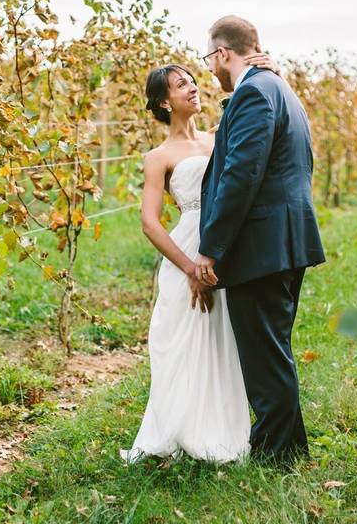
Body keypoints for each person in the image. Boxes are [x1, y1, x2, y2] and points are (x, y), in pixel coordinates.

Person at [120, 51, 285, 464]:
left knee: (224, 340)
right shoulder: (157, 158)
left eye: (193, 80)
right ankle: (179, 431)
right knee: (180, 340)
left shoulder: (219, 135)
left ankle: (223, 433)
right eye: (181, 84)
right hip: (186, 252)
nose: (193, 87)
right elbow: (150, 223)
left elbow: (258, 126)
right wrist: (189, 266)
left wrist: (270, 74)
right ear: (164, 101)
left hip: (226, 249)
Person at [195, 15, 326, 464]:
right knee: (274, 350)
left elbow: (240, 174)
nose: (210, 70)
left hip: (262, 244)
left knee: (265, 355)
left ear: (222, 53)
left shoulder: (252, 92)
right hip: (285, 238)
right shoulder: (279, 88)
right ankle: (288, 447)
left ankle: (276, 456)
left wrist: (212, 245)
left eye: (209, 58)